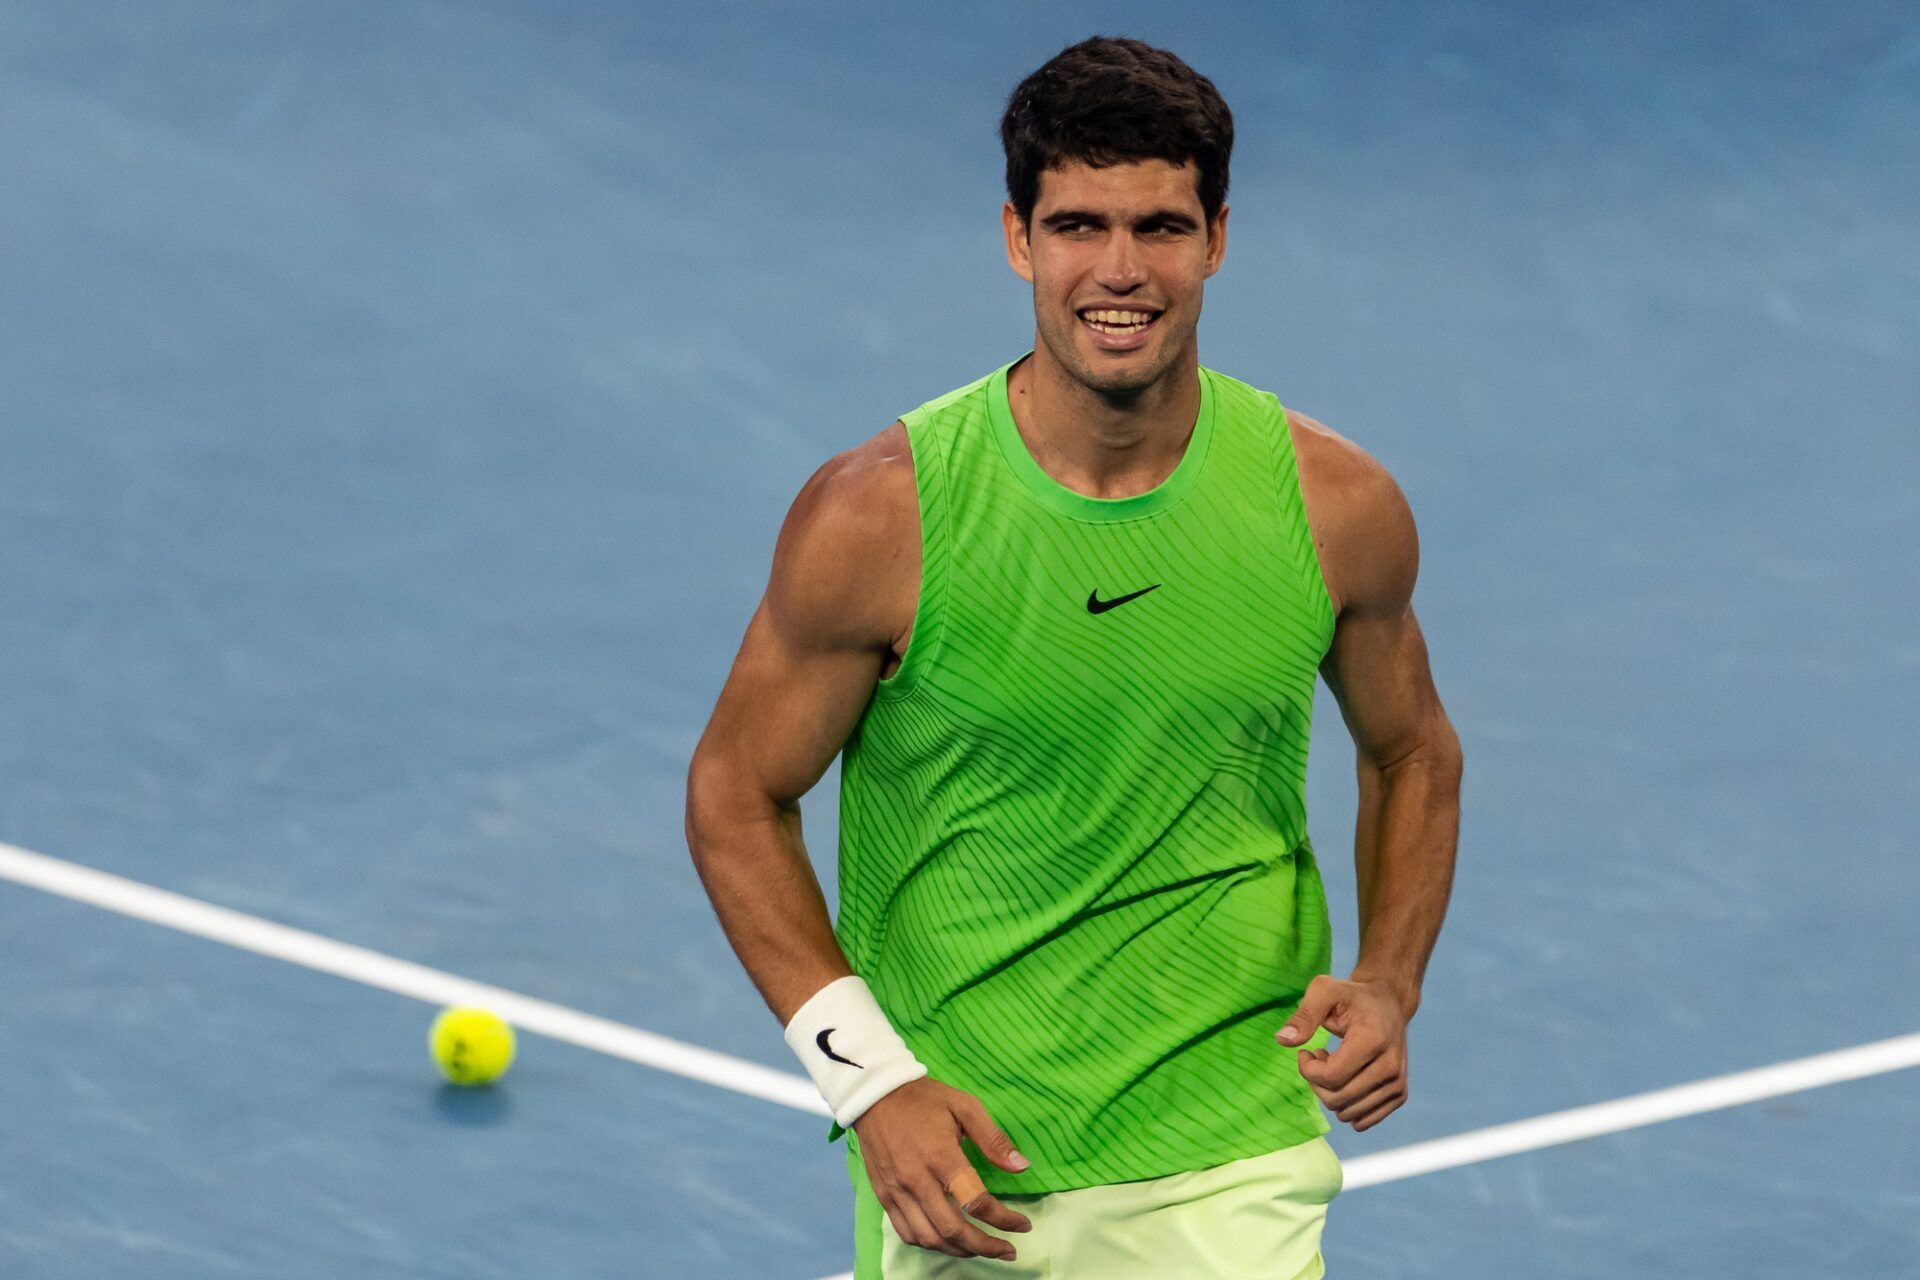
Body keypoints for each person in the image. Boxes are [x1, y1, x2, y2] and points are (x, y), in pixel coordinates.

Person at [685, 34, 1463, 1279]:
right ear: (1017, 238)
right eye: (1077, 226)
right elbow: (735, 791)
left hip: (1230, 1140)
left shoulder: (1335, 504)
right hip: (969, 1163)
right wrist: (872, 1080)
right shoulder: (881, 518)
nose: (1118, 271)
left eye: (1159, 226)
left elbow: (1413, 746)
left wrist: (1389, 978)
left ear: (1217, 237)